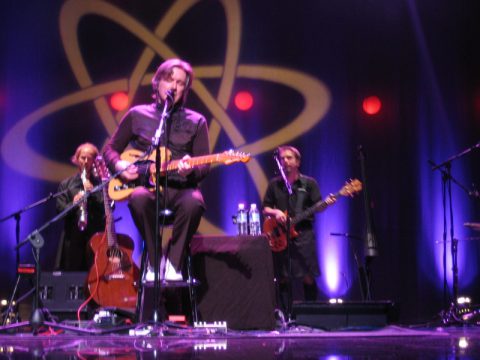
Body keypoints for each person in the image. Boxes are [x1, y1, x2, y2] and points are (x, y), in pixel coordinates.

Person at [103, 58, 210, 282]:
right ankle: (154, 258)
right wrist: (120, 165)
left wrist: (189, 169)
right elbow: (110, 149)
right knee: (138, 198)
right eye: (169, 80)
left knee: (195, 202)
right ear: (157, 82)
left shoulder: (197, 121)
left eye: (180, 83)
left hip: (181, 188)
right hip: (148, 188)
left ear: (186, 89)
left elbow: (204, 166)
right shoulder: (137, 114)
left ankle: (174, 263)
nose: (174, 86)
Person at [263, 145, 335, 305]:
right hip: (281, 236)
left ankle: (311, 313)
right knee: (282, 276)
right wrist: (276, 213)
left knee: (307, 275)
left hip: (303, 235)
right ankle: (285, 315)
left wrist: (326, 204)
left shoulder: (309, 183)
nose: (285, 161)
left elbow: (318, 206)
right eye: (282, 158)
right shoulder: (274, 184)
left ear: (297, 162)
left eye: (289, 158)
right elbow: (265, 208)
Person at [55, 143, 105, 271]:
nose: (86, 162)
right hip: (72, 240)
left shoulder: (101, 184)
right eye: (83, 158)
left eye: (90, 158)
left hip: (95, 239)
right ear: (76, 160)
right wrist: (74, 203)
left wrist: (93, 192)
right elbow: (60, 210)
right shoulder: (66, 185)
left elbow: (107, 210)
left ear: (94, 161)